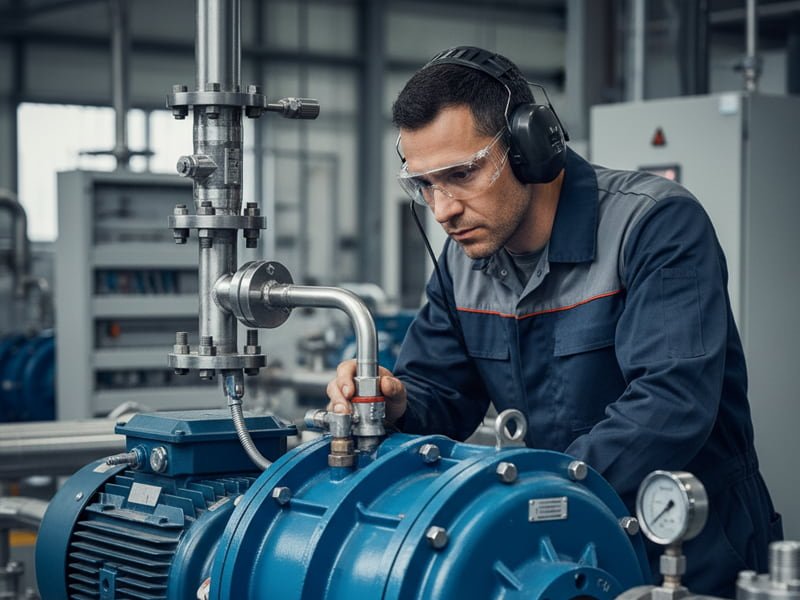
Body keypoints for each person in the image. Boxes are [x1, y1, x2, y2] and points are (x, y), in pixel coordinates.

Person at [326, 46, 782, 597]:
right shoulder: (462, 260)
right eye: (425, 184)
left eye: (462, 174)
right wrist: (395, 400)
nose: (442, 209)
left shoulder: (654, 225)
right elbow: (441, 392)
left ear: (528, 146)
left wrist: (525, 499)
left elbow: (671, 403)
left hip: (687, 549)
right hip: (551, 546)